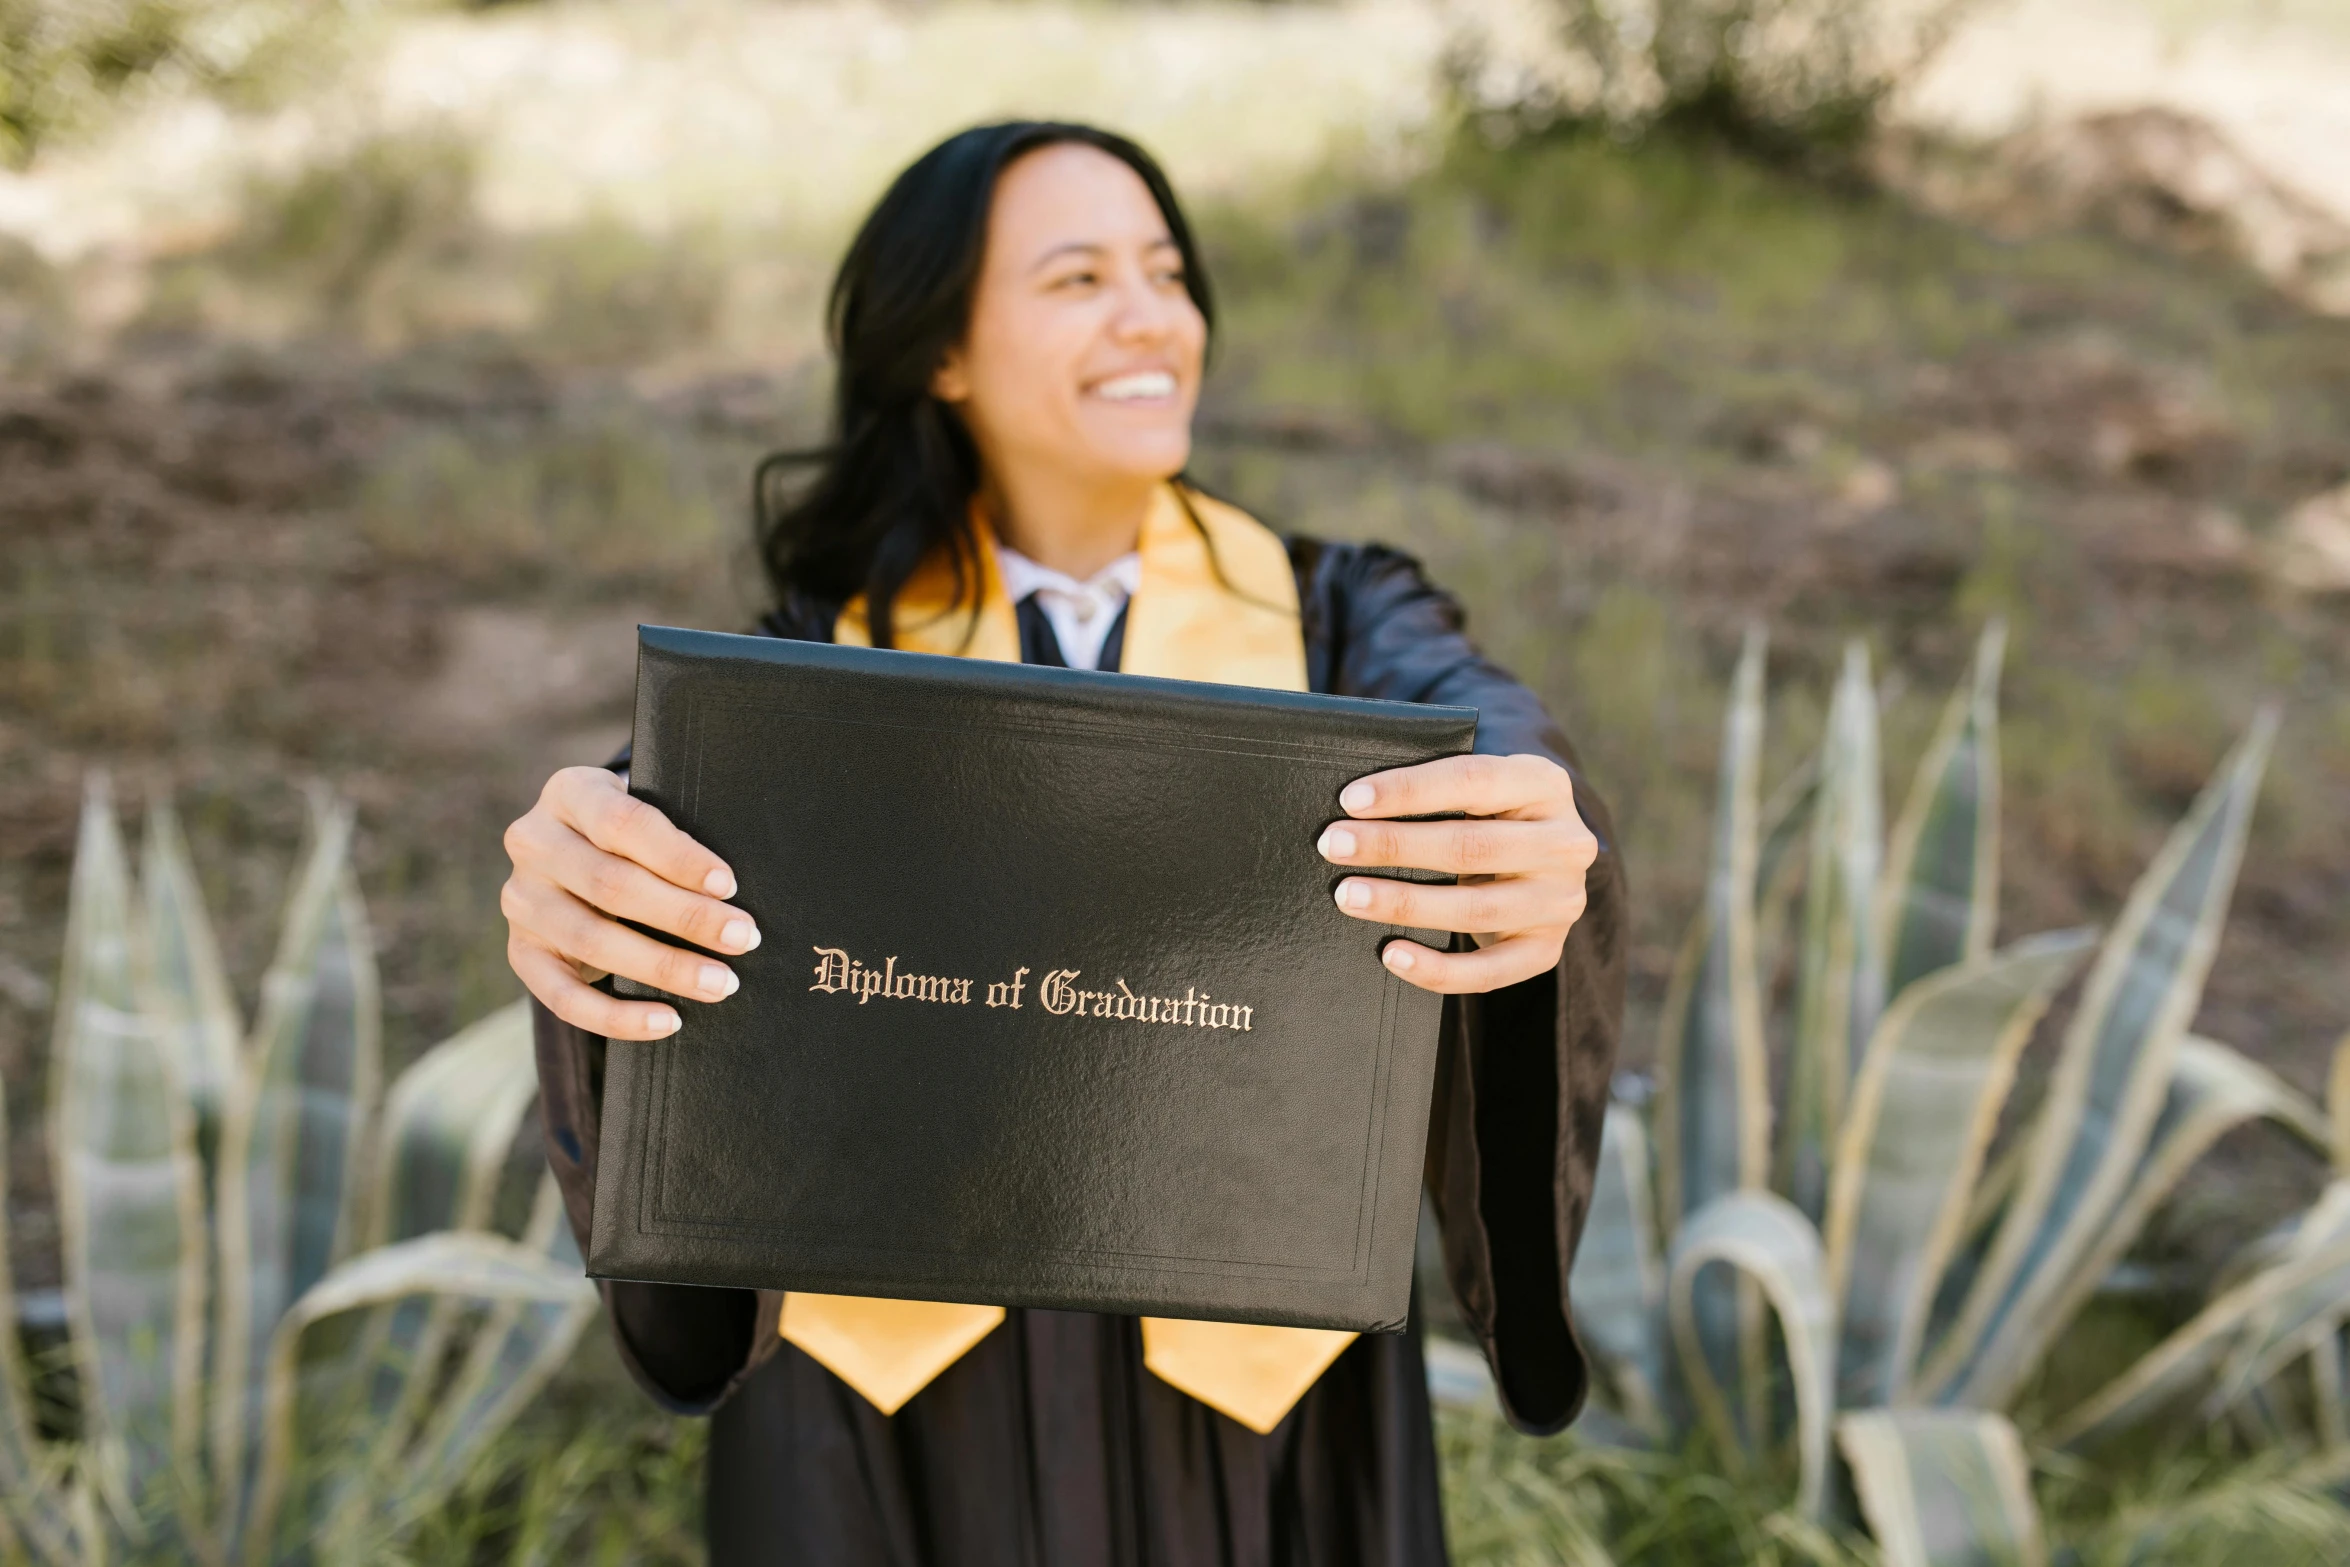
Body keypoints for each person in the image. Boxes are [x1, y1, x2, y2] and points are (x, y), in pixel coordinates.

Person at [502, 120, 1626, 1566]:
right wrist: (593, 874)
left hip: (1263, 1402)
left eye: (1167, 270)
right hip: (881, 1412)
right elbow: (665, 826)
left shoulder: (1340, 618)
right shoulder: (816, 665)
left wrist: (1530, 820)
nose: (1151, 313)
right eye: (1078, 276)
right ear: (941, 353)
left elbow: (1486, 724)